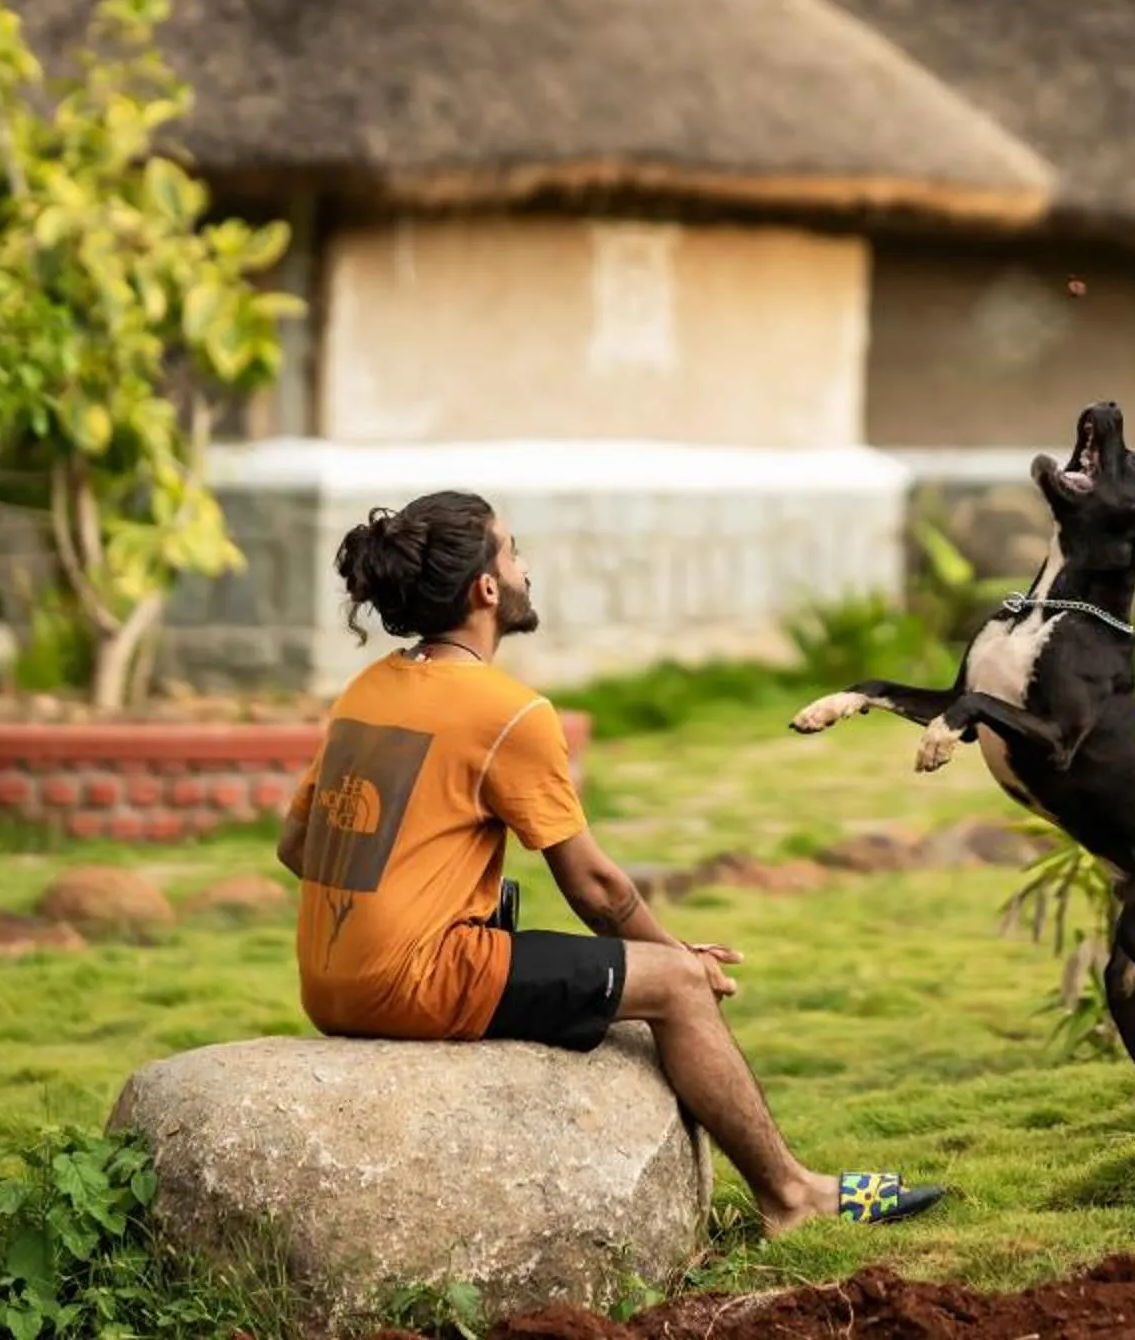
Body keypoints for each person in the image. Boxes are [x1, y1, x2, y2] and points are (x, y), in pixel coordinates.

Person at [275, 490, 945, 1233]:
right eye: (514, 550)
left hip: (326, 982)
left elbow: (298, 847)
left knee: (643, 978)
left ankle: (788, 1186)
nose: (526, 567)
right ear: (487, 589)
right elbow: (594, 887)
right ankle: (794, 1197)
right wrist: (681, 960)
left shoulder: (368, 688)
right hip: (415, 981)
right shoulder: (507, 711)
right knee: (678, 990)